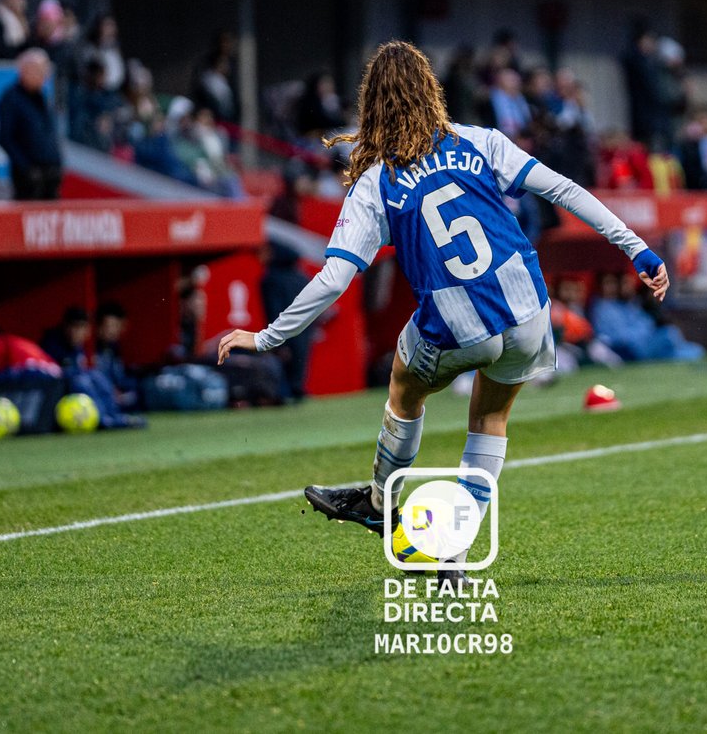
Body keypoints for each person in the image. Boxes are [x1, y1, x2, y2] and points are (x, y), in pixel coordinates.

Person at [215, 41, 668, 577]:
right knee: (490, 419)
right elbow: (565, 190)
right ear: (431, 91)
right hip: (527, 308)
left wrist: (266, 337)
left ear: (371, 106)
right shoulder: (481, 141)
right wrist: (636, 248)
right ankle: (453, 544)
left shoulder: (376, 182)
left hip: (455, 322)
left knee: (404, 391)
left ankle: (381, 502)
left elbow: (335, 277)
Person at [0, 49, 62, 200]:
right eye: (40, 71)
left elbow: (49, 132)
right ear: (26, 71)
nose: (44, 77)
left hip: (50, 175)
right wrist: (26, 168)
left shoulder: (42, 98)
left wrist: (57, 162)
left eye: (45, 72)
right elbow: (5, 138)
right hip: (28, 179)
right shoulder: (11, 99)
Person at [260, 242, 316, 403]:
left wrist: (275, 337)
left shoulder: (271, 279)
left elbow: (273, 309)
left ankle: (284, 395)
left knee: (284, 362)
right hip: (305, 327)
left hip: (284, 329)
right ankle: (296, 391)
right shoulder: (300, 276)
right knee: (299, 362)